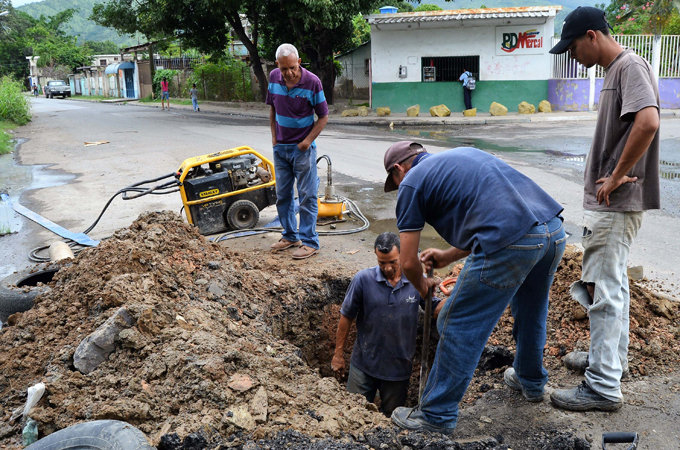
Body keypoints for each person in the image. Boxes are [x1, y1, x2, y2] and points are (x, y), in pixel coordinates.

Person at [384, 141, 566, 435]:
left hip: (514, 241)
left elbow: (407, 262)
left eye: (394, 181)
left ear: (398, 169)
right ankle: (530, 381)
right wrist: (448, 255)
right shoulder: (461, 155)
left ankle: (435, 414)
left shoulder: (411, 183)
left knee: (455, 320)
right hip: (552, 231)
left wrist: (423, 287)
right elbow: (494, 215)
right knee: (532, 310)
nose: (397, 185)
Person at [548, 6, 660, 412]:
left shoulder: (628, 66)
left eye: (574, 46)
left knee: (604, 290)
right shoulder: (618, 70)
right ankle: (611, 363)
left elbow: (648, 122)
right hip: (613, 203)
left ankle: (602, 386)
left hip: (613, 203)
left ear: (593, 35)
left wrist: (615, 177)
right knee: (614, 286)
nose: (572, 55)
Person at [332, 232, 443, 417]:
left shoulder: (416, 280)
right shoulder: (363, 280)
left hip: (398, 370)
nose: (387, 268)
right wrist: (338, 354)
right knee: (352, 414)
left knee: (391, 419)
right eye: (381, 262)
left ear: (403, 255)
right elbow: (346, 316)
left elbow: (435, 308)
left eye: (393, 261)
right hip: (363, 365)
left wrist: (459, 298)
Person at [266, 43, 329, 260]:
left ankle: (310, 241)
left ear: (299, 62)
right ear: (277, 66)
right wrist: (274, 137)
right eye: (284, 69)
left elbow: (323, 117)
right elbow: (272, 108)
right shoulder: (273, 78)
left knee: (307, 196)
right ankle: (290, 235)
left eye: (293, 67)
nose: (289, 73)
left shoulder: (312, 82)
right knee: (282, 195)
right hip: (280, 149)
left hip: (302, 149)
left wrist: (306, 142)